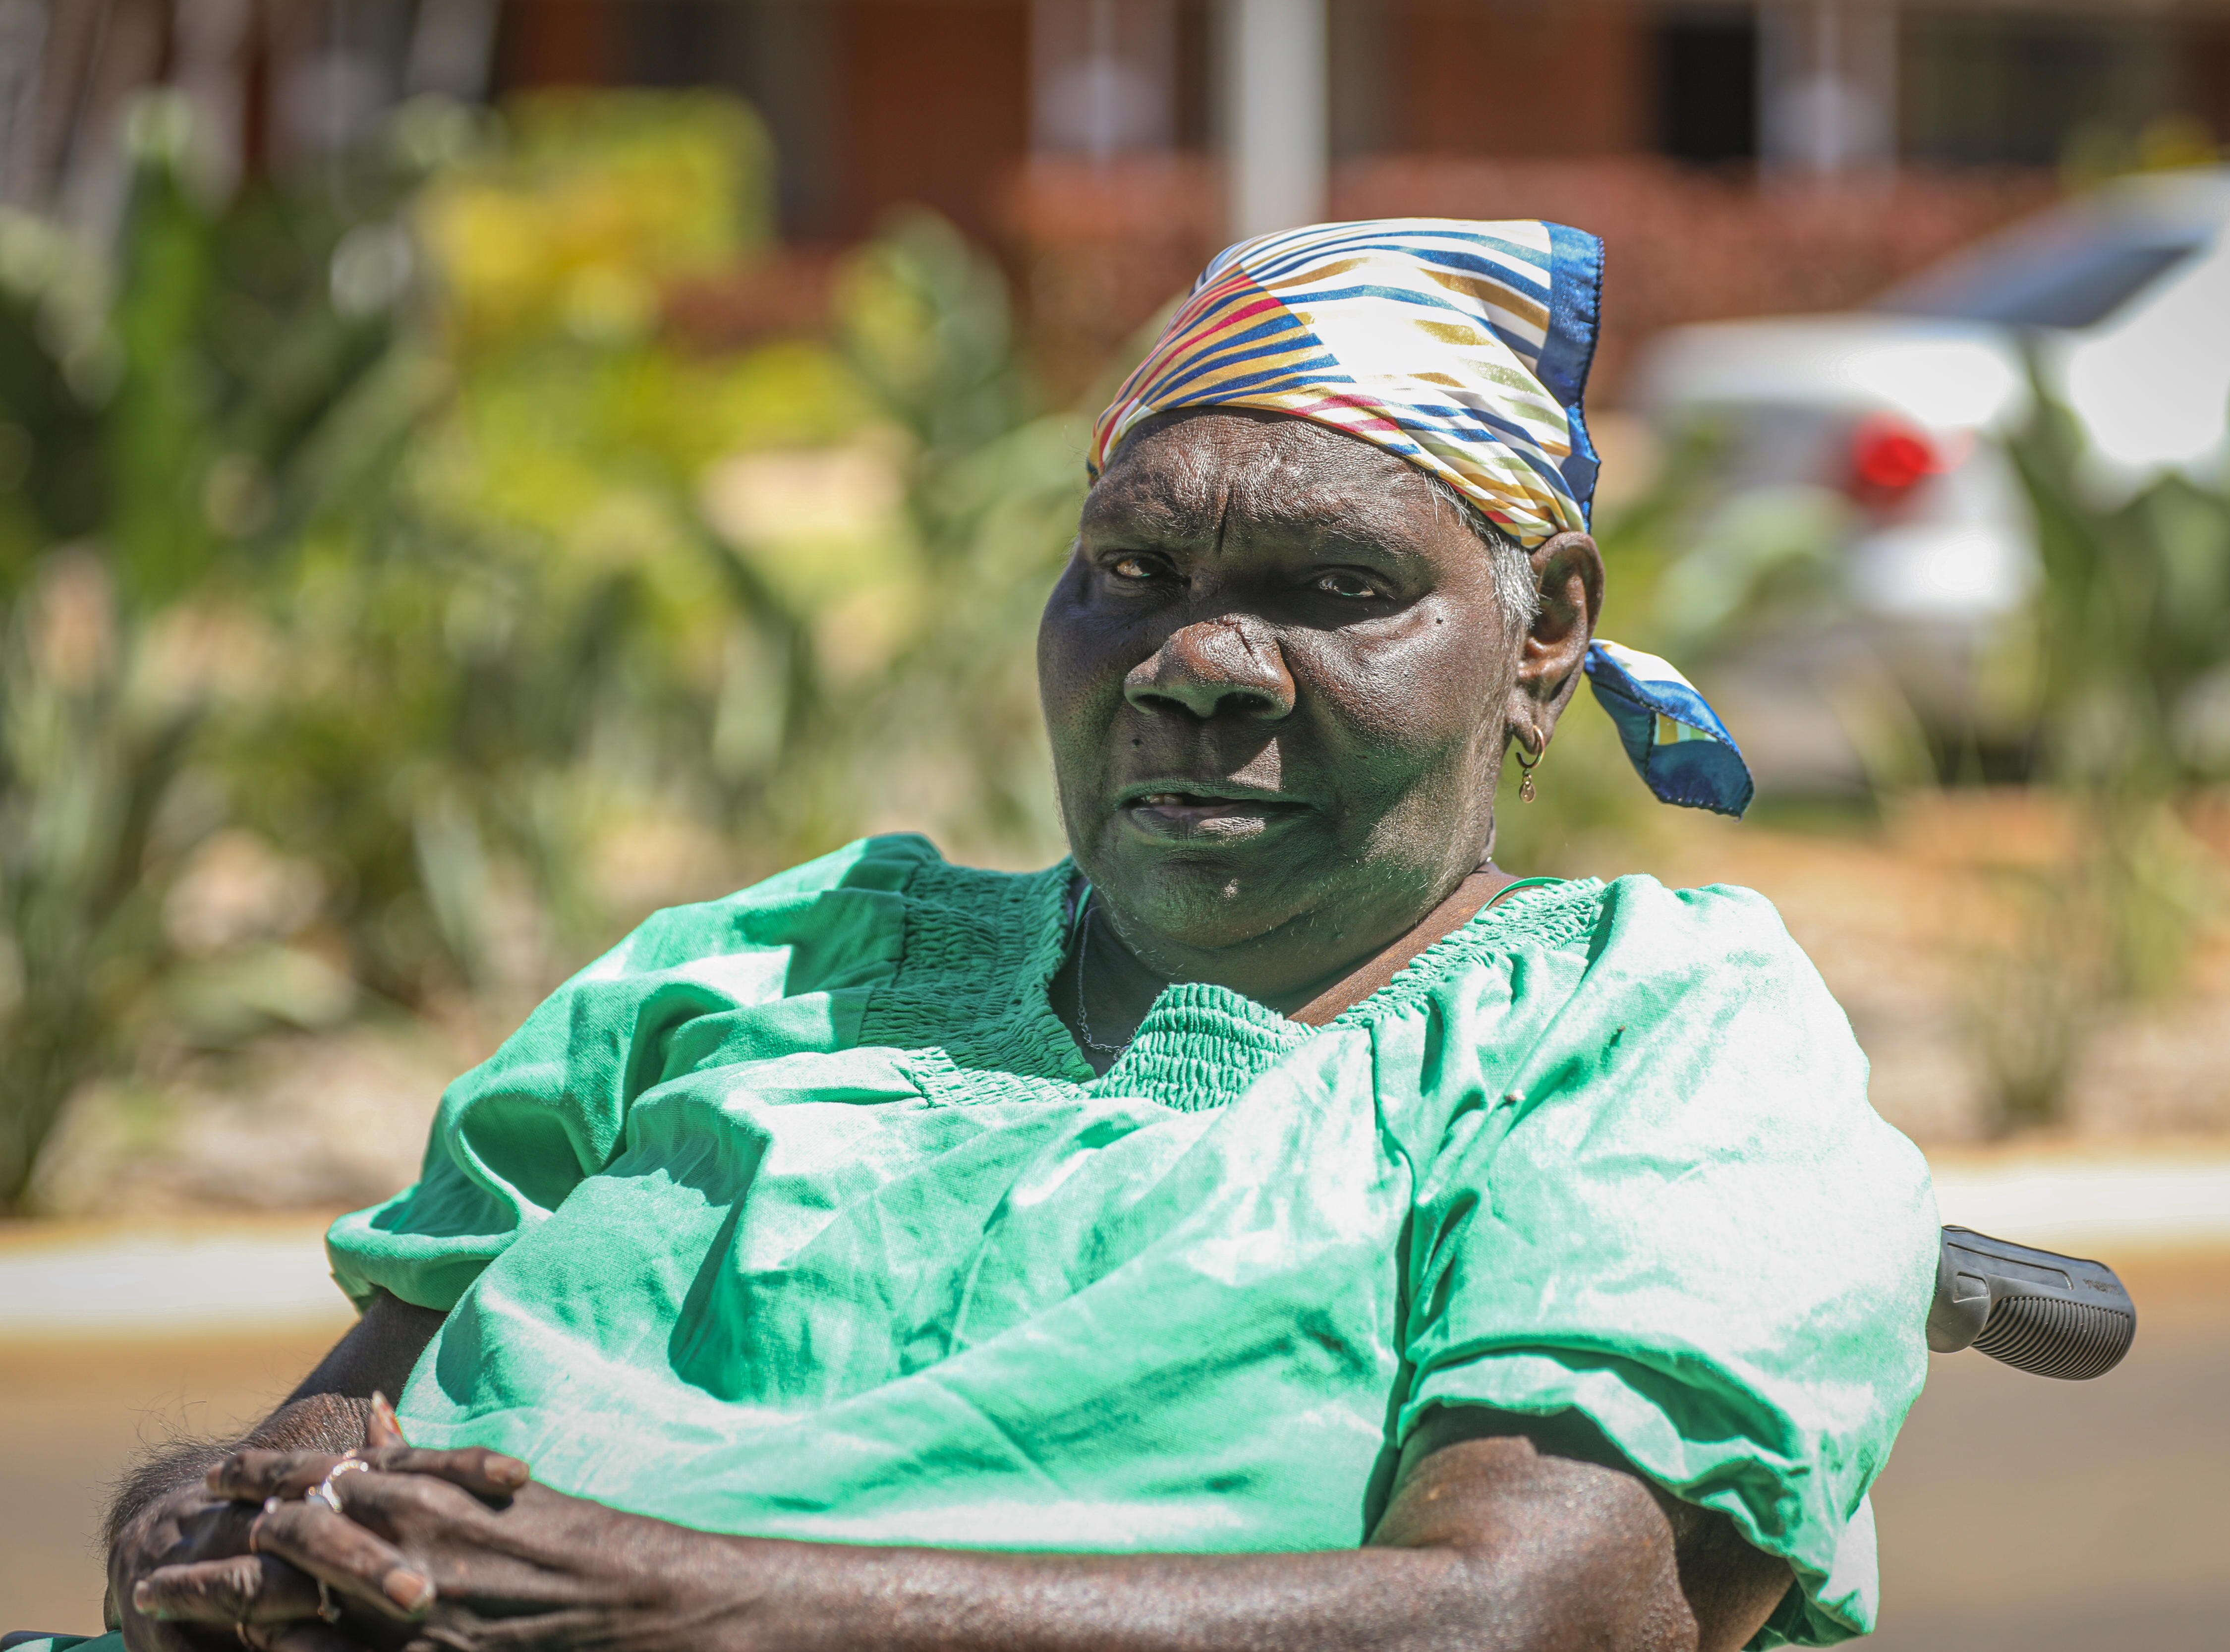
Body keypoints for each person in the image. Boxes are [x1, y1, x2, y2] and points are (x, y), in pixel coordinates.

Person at [82, 219, 1936, 1652]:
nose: (1197, 667)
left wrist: (690, 1607)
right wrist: (221, 1530)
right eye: (1133, 575)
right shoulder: (761, 970)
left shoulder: (1646, 1033)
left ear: (1543, 637)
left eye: (1334, 589)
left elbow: (1545, 1614)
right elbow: (323, 1440)